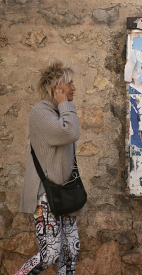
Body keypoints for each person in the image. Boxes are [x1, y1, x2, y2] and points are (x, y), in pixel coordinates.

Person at [16, 59, 82, 274]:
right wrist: (64, 103)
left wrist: (64, 107)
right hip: (46, 195)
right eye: (69, 83)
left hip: (65, 193)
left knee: (70, 251)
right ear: (57, 88)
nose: (74, 88)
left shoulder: (61, 113)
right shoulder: (41, 112)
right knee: (50, 254)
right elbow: (70, 132)